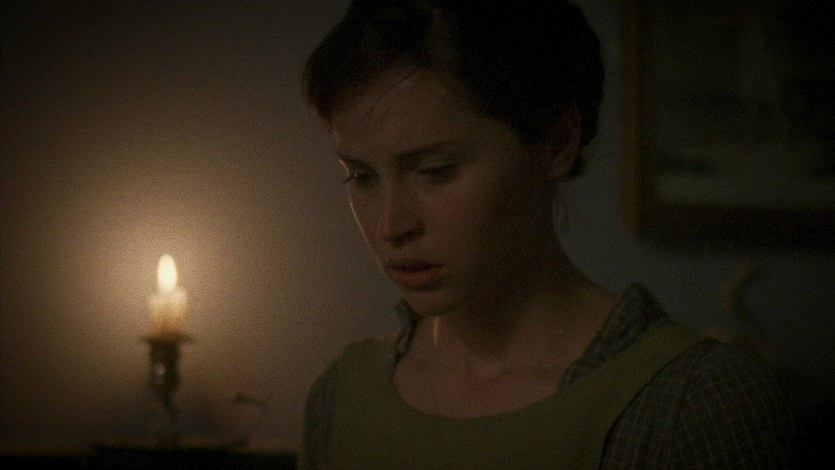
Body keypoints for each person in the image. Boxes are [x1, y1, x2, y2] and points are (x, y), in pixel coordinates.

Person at [298, 1, 799, 468]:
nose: (390, 226)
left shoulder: (692, 401)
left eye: (436, 171)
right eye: (361, 176)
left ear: (556, 144)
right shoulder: (340, 398)